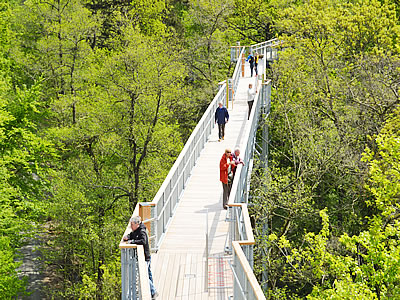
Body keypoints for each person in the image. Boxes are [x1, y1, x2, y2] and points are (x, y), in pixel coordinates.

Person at [123, 216, 158, 299]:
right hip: (146, 257)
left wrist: (132, 242)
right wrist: (128, 237)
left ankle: (153, 291)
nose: (131, 226)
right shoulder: (136, 230)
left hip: (145, 257)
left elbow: (143, 241)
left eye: (132, 224)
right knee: (148, 275)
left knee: (145, 275)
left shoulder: (142, 231)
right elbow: (132, 235)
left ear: (137, 224)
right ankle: (152, 291)